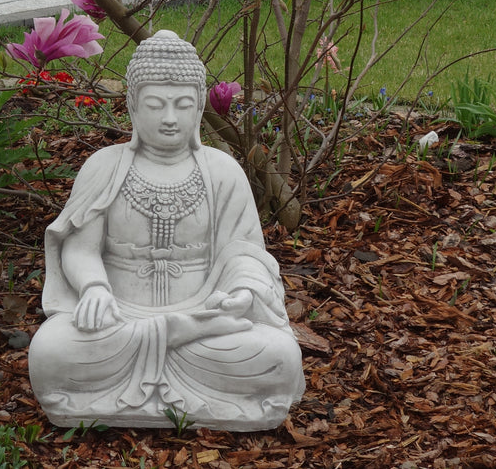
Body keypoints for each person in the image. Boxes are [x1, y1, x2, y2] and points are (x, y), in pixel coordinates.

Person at [28, 31, 304, 430]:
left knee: (278, 356)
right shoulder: (104, 166)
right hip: (119, 319)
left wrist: (242, 294)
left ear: (198, 112)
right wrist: (94, 288)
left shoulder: (222, 171)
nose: (170, 118)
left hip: (204, 313)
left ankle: (180, 341)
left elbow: (244, 253)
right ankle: (183, 356)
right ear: (133, 107)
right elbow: (80, 248)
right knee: (49, 352)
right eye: (156, 105)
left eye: (183, 105)